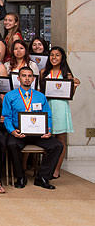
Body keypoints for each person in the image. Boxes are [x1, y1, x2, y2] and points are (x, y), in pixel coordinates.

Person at [2, 67, 63, 189]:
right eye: (24, 76)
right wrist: (13, 131)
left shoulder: (40, 96)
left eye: (29, 76)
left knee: (57, 146)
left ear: (33, 79)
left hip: (37, 133)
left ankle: (42, 177)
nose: (27, 78)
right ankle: (20, 177)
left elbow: (48, 115)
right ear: (19, 78)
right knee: (12, 145)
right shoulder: (10, 96)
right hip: (19, 132)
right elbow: (7, 117)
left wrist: (48, 130)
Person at [39, 47, 80, 179]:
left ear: (62, 58)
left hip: (61, 107)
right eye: (52, 55)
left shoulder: (67, 74)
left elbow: (70, 95)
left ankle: (57, 169)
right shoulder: (43, 72)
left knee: (61, 139)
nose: (54, 58)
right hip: (47, 106)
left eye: (57, 55)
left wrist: (74, 87)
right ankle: (47, 167)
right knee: (48, 138)